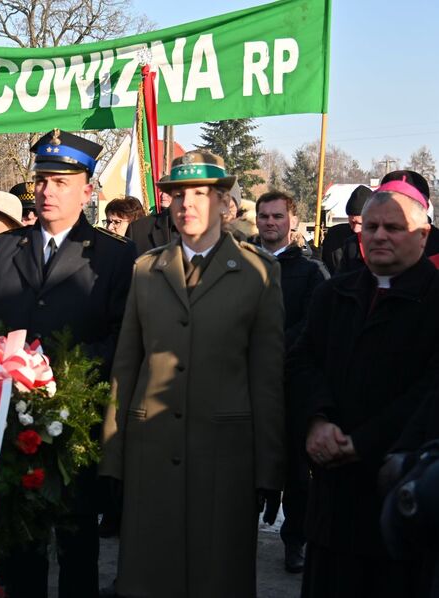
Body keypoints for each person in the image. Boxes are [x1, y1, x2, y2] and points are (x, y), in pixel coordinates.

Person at [100, 151, 285, 598]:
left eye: (201, 193)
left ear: (224, 202)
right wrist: (113, 452)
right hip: (152, 455)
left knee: (216, 578)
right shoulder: (147, 269)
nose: (187, 204)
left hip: (225, 460)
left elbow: (267, 375)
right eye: (178, 195)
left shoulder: (259, 271)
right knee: (149, 578)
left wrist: (270, 469)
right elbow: (127, 364)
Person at [0, 129, 138, 598]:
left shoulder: (114, 254)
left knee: (76, 545)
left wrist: (60, 380)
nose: (48, 190)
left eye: (62, 182)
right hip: (10, 415)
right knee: (20, 541)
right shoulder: (8, 247)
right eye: (43, 179)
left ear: (88, 190)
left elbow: (121, 335)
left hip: (75, 419)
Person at [288, 175, 439, 598]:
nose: (379, 236)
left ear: (423, 235)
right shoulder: (333, 293)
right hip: (332, 505)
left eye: (394, 228)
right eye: (371, 227)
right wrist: (318, 421)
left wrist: (363, 442)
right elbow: (302, 362)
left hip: (399, 500)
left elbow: (431, 390)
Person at [255, 190, 329, 574]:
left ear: (292, 222)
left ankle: (295, 540)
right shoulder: (241, 264)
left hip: (291, 383)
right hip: (247, 383)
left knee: (297, 471)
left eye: (278, 216)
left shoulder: (310, 271)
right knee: (246, 462)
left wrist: (276, 350)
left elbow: (314, 325)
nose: (270, 222)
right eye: (264, 216)